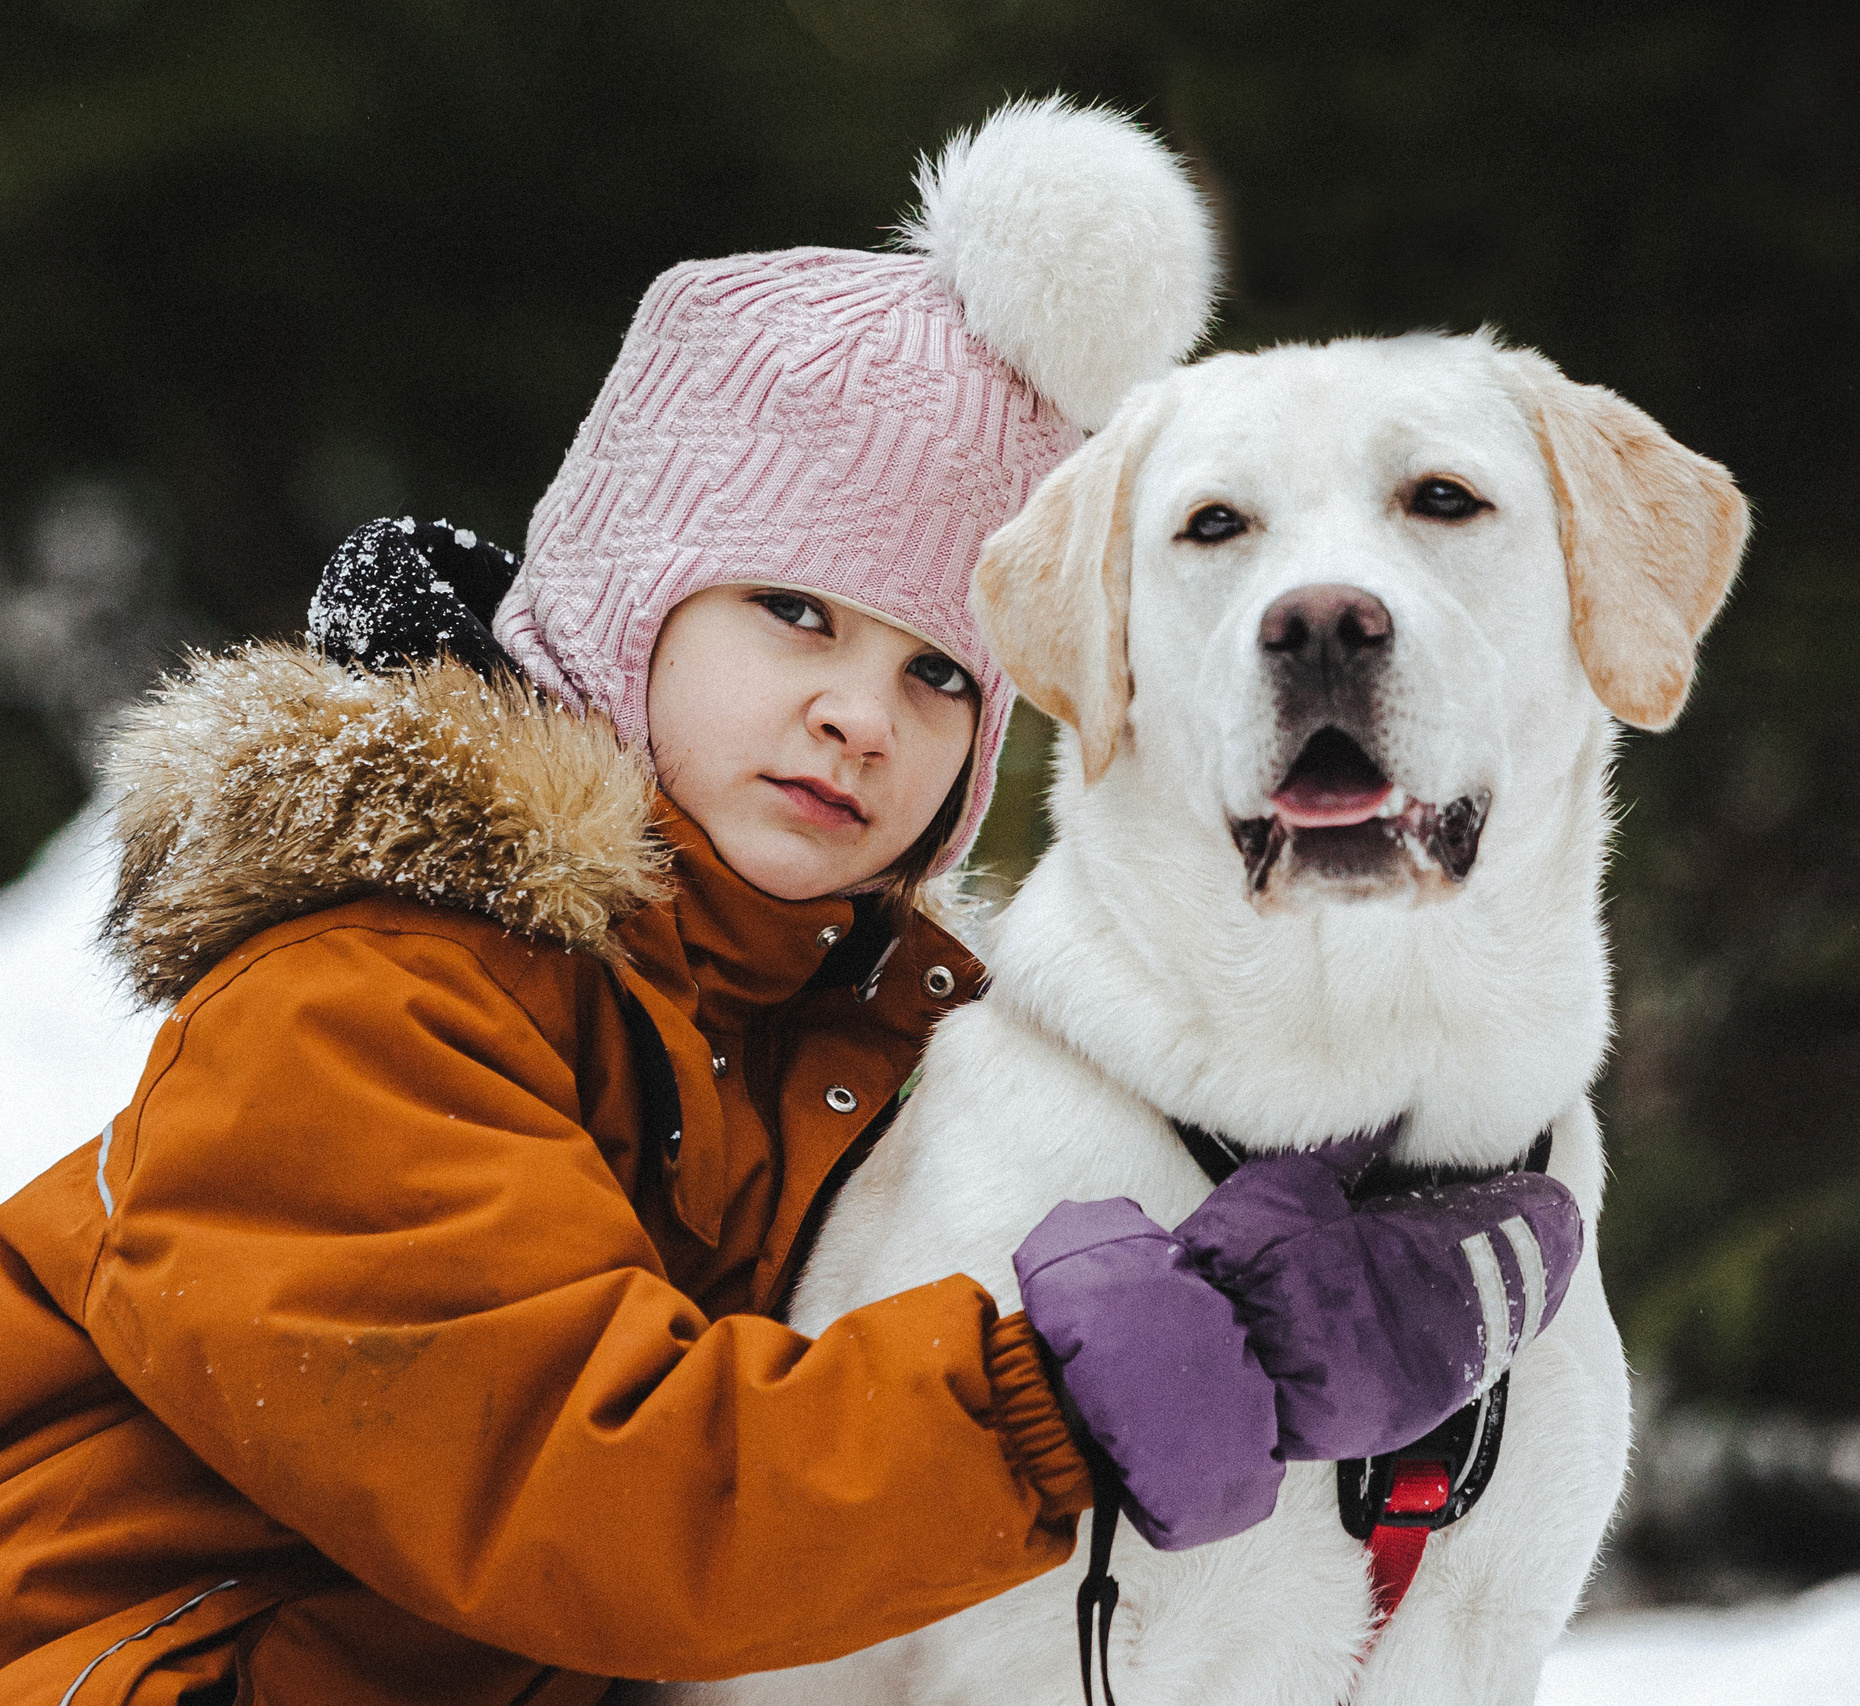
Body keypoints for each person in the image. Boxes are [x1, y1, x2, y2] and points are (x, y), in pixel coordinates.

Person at [0, 101, 1581, 1705]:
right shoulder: (362, 999)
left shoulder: (839, 1037)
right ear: (628, 602)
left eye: (937, 672)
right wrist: (1140, 1379)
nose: (860, 714)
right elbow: (607, 1498)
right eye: (794, 611)